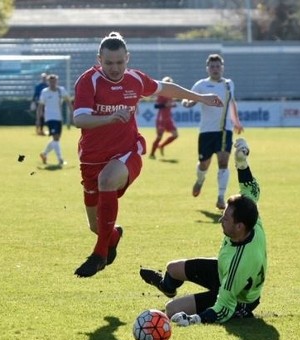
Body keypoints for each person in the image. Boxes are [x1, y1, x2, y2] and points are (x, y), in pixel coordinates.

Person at [72, 32, 223, 278]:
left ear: (127, 58)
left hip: (127, 152)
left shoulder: (135, 80)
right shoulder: (88, 81)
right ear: (99, 59)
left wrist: (200, 97)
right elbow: (79, 119)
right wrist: (110, 116)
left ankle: (99, 254)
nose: (115, 68)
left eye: (120, 62)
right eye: (108, 63)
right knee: (96, 226)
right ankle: (113, 236)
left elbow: (166, 89)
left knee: (107, 180)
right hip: (91, 159)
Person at [140, 138, 267, 326]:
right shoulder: (250, 217)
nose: (220, 220)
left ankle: (243, 314)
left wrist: (196, 319)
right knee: (173, 269)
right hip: (223, 271)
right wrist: (241, 162)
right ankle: (167, 286)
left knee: (172, 309)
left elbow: (224, 307)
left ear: (240, 226)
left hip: (239, 298)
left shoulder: (239, 263)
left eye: (226, 219)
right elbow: (250, 189)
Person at [183, 53, 244, 210]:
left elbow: (232, 102)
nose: (215, 69)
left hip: (224, 130)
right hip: (206, 132)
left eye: (218, 66)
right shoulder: (201, 85)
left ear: (222, 68)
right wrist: (187, 103)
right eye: (212, 66)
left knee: (223, 162)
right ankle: (200, 179)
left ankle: (221, 197)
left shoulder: (229, 84)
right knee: (204, 164)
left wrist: (236, 121)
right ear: (207, 68)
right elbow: (189, 99)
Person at [38, 74, 73, 166]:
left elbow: (68, 101)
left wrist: (72, 112)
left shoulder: (61, 90)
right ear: (48, 82)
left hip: (59, 118)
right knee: (56, 138)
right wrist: (38, 119)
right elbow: (40, 105)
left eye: (54, 81)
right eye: (51, 81)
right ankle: (60, 159)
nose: (52, 83)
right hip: (49, 118)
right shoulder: (44, 92)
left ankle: (44, 154)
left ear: (56, 82)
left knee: (55, 139)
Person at [149, 76, 179, 159]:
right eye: (167, 83)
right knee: (159, 137)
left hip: (168, 118)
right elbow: (156, 106)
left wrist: (173, 104)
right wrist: (166, 105)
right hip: (161, 119)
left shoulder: (171, 94)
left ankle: (161, 146)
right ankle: (152, 154)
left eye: (170, 83)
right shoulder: (161, 94)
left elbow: (171, 104)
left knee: (175, 135)